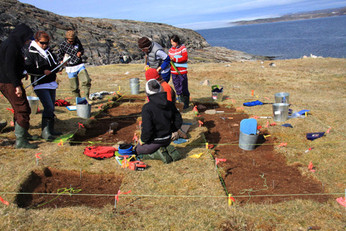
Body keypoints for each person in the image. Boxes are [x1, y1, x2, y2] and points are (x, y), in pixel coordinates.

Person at [0, 23, 38, 149]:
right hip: (9, 82)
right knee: (22, 108)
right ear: (22, 36)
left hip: (10, 80)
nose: (28, 41)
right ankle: (21, 141)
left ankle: (23, 134)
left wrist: (23, 71)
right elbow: (8, 68)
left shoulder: (13, 44)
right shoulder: (11, 46)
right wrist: (16, 85)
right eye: (27, 38)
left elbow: (15, 64)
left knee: (19, 107)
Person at [23, 31, 62, 141]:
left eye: (47, 43)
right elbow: (29, 68)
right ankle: (45, 132)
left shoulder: (48, 52)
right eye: (42, 43)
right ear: (36, 41)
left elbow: (54, 65)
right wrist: (42, 71)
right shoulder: (30, 52)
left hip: (51, 83)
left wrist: (60, 66)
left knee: (52, 107)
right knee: (48, 106)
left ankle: (51, 129)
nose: (45, 45)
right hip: (40, 83)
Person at [135, 79, 182, 157]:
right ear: (160, 89)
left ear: (147, 92)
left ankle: (158, 154)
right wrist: (172, 130)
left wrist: (143, 140)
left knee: (136, 150)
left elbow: (147, 129)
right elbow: (178, 119)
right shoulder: (169, 103)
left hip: (155, 142)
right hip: (167, 139)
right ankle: (162, 150)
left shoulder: (147, 108)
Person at [57, 30, 91, 100]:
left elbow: (82, 49)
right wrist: (61, 65)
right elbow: (59, 56)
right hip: (70, 68)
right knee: (74, 87)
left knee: (86, 80)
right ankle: (78, 100)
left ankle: (86, 97)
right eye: (70, 41)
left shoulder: (77, 41)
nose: (72, 42)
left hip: (79, 65)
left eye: (73, 41)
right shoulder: (62, 45)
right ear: (66, 39)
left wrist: (80, 53)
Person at [168, 35, 190, 109]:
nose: (172, 44)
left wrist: (175, 59)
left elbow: (185, 58)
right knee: (177, 87)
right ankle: (181, 102)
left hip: (182, 71)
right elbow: (169, 59)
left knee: (183, 86)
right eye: (171, 42)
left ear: (177, 41)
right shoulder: (170, 50)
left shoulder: (182, 48)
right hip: (174, 72)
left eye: (173, 42)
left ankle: (186, 103)